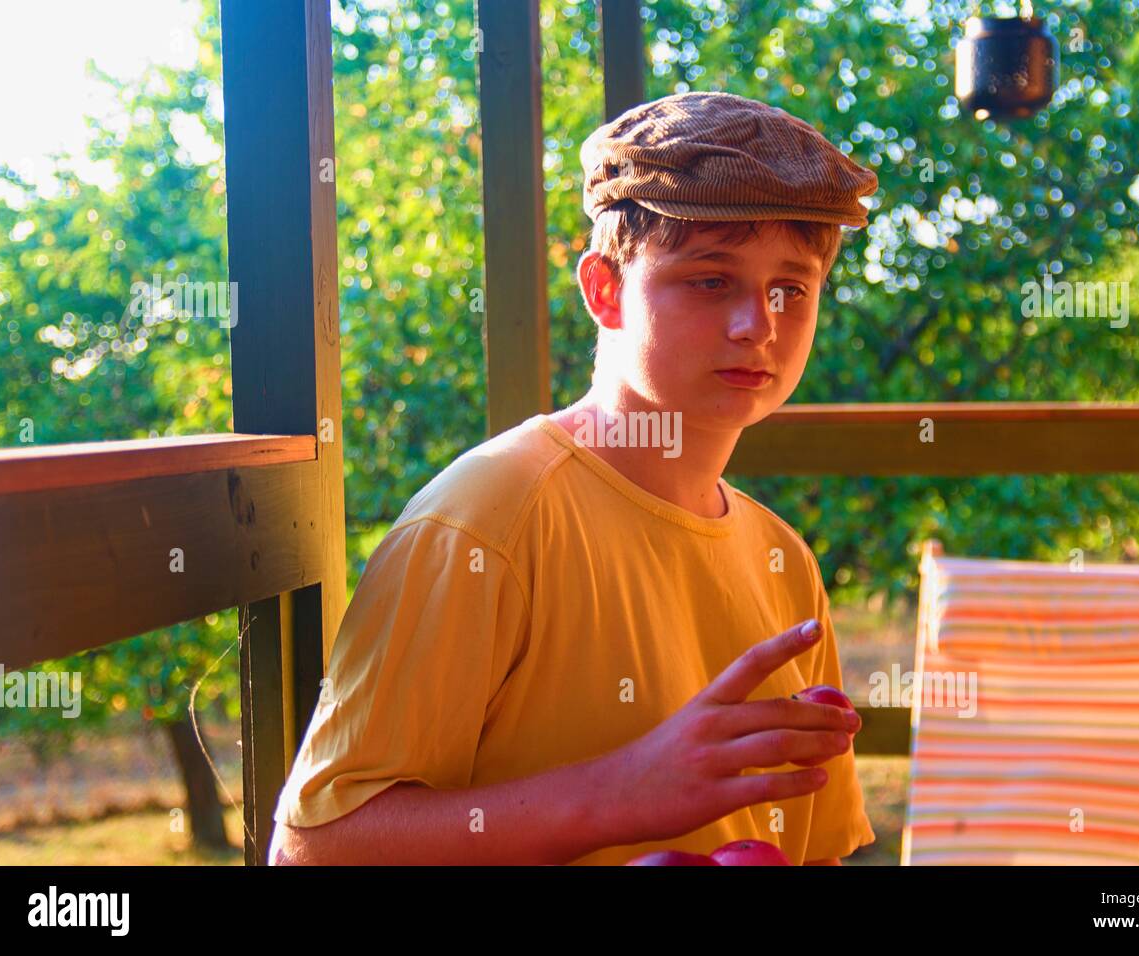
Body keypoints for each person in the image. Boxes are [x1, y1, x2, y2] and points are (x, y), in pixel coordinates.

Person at [269, 90, 880, 865]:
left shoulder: (783, 558)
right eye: (710, 280)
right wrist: (618, 794)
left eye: (789, 289)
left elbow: (815, 848)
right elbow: (314, 847)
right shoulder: (488, 519)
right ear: (603, 291)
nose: (756, 324)